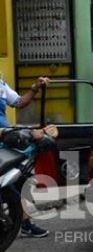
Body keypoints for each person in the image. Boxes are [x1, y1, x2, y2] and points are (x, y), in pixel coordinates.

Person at [0, 76, 52, 237]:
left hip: (6, 140)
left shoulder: (1, 84)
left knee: (21, 177)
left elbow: (19, 102)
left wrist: (35, 88)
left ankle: (25, 223)